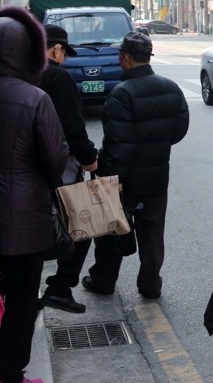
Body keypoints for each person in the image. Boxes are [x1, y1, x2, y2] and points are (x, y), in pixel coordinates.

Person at [84, 32, 189, 300]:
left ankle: (104, 280)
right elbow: (179, 129)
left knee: (111, 231)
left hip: (124, 180)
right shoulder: (171, 87)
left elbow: (119, 144)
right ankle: (150, 285)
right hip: (156, 176)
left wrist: (111, 177)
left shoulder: (121, 94)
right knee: (152, 234)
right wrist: (156, 145)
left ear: (126, 58)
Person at [0, 7, 68, 383]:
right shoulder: (34, 98)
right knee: (22, 298)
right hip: (23, 221)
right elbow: (56, 159)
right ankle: (11, 372)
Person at [38, 25, 100, 315]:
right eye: (63, 51)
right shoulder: (58, 78)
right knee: (81, 224)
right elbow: (74, 128)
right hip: (59, 167)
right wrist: (90, 159)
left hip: (21, 172)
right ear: (55, 49)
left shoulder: (15, 76)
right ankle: (60, 287)